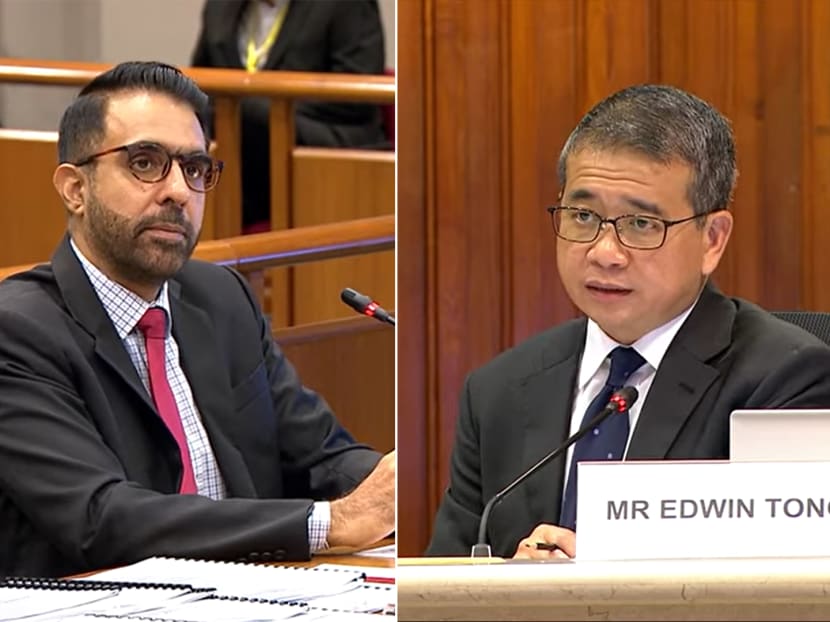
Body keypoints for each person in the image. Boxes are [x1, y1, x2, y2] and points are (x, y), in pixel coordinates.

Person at [0, 61, 394, 578]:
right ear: (75, 188)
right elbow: (101, 519)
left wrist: (404, 486)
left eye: (195, 168)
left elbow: (319, 456)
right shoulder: (19, 331)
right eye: (145, 163)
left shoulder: (221, 298)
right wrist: (328, 524)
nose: (178, 191)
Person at [425, 84, 830, 560]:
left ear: (712, 239)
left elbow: (783, 587)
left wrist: (593, 577)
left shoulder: (786, 381)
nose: (604, 252)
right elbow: (444, 583)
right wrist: (504, 586)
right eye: (583, 215)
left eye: (641, 224)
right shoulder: (498, 391)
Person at [191, 0, 389, 230]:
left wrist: (262, 109)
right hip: (240, 154)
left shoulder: (347, 5)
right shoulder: (221, 6)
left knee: (249, 116)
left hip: (324, 139)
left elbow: (356, 93)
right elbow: (200, 84)